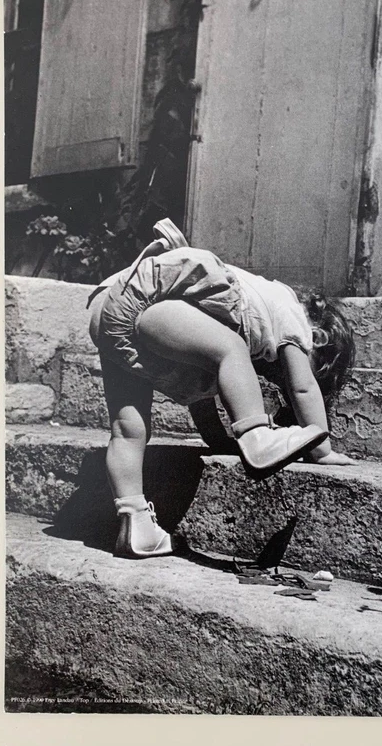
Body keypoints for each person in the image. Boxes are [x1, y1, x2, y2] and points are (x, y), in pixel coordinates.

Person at [87, 220, 356, 560]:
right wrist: (322, 448)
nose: (289, 373)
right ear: (318, 338)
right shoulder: (294, 317)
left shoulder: (225, 321)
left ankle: (136, 522)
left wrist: (217, 439)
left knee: (127, 430)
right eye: (310, 361)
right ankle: (257, 435)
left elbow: (202, 400)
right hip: (143, 295)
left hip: (105, 308)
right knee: (231, 349)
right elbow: (304, 390)